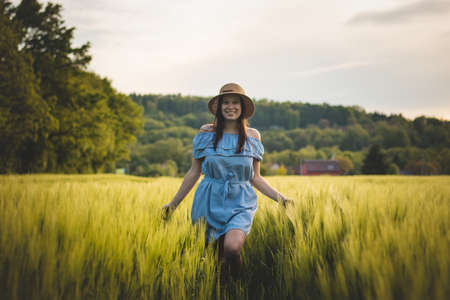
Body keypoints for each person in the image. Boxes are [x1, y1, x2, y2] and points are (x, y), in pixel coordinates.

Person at [162, 83, 293, 279]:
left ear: (242, 108)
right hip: (209, 200)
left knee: (232, 249)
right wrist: (172, 204)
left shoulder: (253, 136)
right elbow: (194, 172)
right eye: (226, 102)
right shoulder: (206, 133)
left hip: (240, 202)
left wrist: (281, 199)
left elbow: (255, 178)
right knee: (214, 260)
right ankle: (225, 291)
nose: (230, 107)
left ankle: (238, 286)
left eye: (235, 103)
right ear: (219, 107)